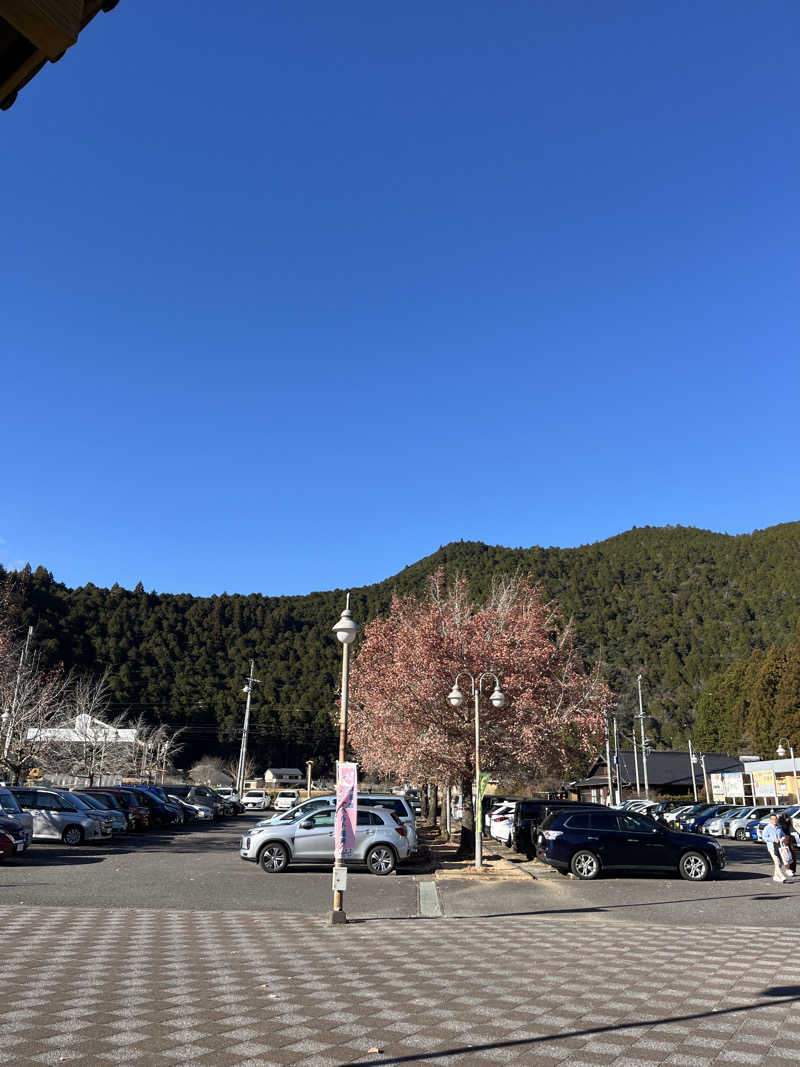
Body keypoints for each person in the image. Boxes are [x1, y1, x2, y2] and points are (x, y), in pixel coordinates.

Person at [763, 814, 792, 882]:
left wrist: (781, 839)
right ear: (770, 820)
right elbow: (764, 837)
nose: (774, 820)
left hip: (780, 847)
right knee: (777, 861)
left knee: (780, 863)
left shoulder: (779, 827)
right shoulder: (767, 828)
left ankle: (775, 876)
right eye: (773, 819)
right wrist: (773, 840)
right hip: (772, 848)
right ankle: (781, 876)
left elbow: (783, 835)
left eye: (775, 819)